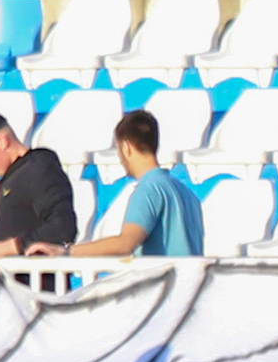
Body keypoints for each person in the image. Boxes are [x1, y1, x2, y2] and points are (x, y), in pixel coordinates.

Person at [35, 109, 205, 260]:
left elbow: (125, 243)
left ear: (126, 147)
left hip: (165, 290)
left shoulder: (149, 189)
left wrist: (66, 252)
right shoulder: (187, 194)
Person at [0, 110, 78, 264]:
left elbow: (63, 228)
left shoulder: (39, 169)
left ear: (1, 140)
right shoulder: (16, 175)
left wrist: (4, 249)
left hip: (35, 283)